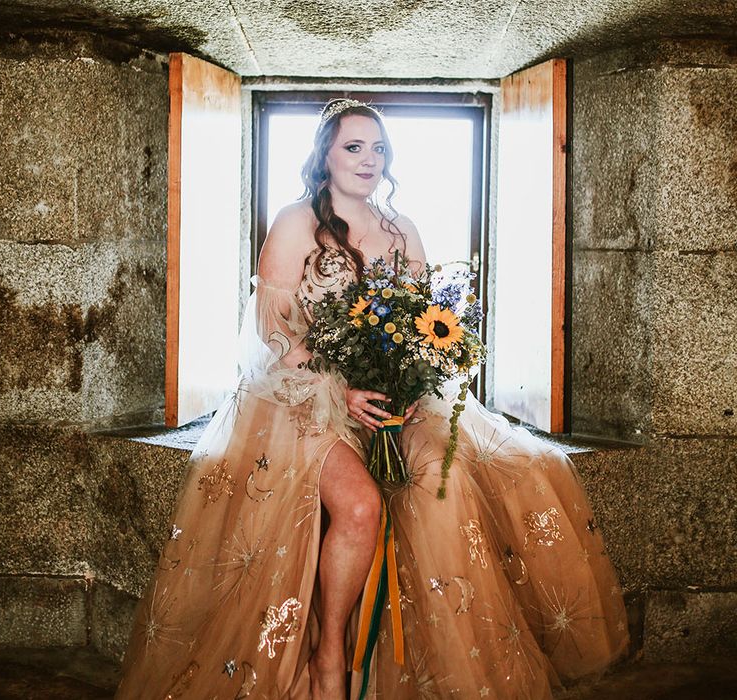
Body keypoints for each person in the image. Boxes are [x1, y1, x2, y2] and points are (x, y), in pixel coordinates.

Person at [115, 98, 628, 700]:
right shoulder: (293, 221)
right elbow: (274, 335)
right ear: (324, 156)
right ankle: (330, 654)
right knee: (359, 508)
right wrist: (342, 387)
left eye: (378, 148)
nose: (369, 159)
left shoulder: (402, 230)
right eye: (353, 147)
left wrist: (409, 385)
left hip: (395, 395)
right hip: (301, 395)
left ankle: (436, 655)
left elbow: (420, 325)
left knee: (448, 470)